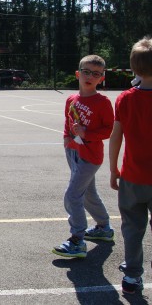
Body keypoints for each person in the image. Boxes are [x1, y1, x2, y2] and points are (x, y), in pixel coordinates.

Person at [52, 55, 115, 258]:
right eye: (86, 72)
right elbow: (67, 122)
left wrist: (86, 134)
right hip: (73, 152)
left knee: (72, 195)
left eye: (95, 74)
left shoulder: (103, 102)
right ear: (78, 74)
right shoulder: (72, 99)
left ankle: (77, 240)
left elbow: (108, 131)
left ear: (101, 79)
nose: (90, 76)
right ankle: (104, 228)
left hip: (90, 157)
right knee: (88, 194)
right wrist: (66, 139)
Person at [109, 37, 152, 294]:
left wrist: (114, 169)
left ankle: (133, 276)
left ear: (133, 69)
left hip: (133, 176)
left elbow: (116, 137)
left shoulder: (125, 99)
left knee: (133, 228)